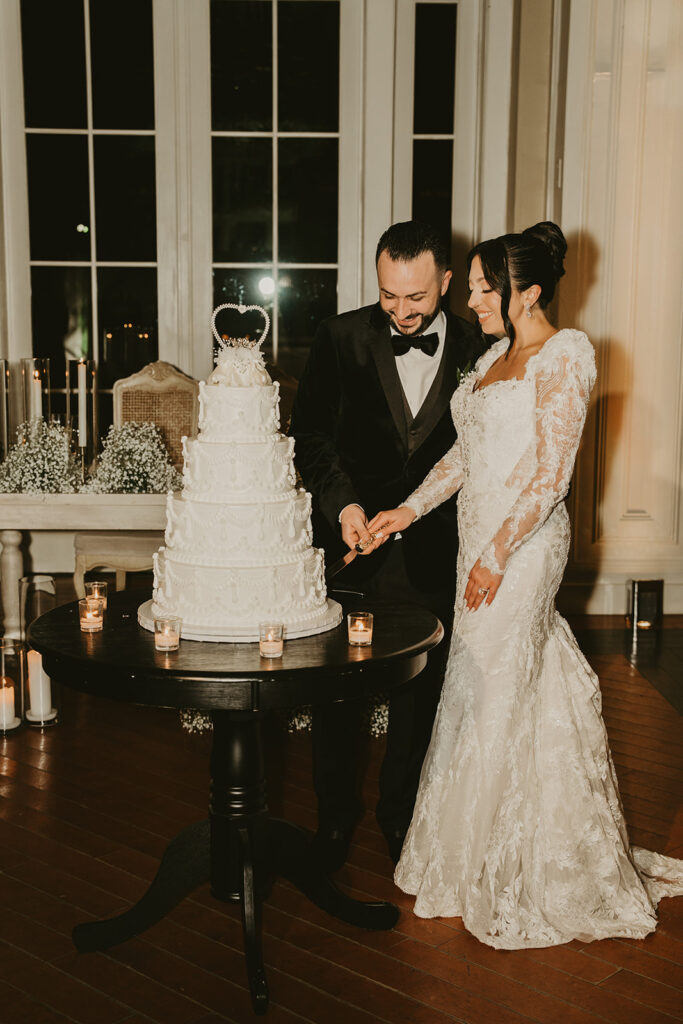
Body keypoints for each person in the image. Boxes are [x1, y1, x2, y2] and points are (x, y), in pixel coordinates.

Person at [367, 221, 683, 948]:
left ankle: (509, 865)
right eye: (473, 287)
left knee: (500, 685)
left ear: (529, 290)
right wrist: (402, 511)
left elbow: (550, 473)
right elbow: (460, 459)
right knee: (478, 685)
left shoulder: (564, 354)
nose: (472, 300)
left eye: (485, 288)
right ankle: (469, 853)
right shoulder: (489, 361)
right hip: (475, 545)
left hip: (523, 548)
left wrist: (497, 553)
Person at [290, 221, 487, 868]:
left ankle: (401, 817)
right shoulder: (339, 337)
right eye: (388, 296)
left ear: (446, 283)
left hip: (436, 551)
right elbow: (310, 437)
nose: (401, 313)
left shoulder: (480, 345)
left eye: (417, 299)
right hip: (351, 549)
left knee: (419, 695)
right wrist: (343, 506)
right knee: (335, 695)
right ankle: (334, 818)